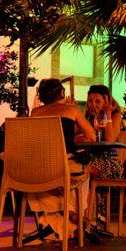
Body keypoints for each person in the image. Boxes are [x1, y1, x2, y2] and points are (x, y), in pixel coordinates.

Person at [28, 78, 96, 242]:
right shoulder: (71, 110)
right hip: (65, 167)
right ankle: (73, 217)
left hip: (40, 168)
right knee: (81, 174)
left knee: (38, 189)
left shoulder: (35, 113)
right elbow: (92, 136)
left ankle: (66, 218)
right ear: (62, 93)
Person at [84, 85, 125, 180]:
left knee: (82, 168)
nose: (93, 104)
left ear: (107, 102)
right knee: (74, 164)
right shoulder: (89, 117)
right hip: (90, 158)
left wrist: (108, 114)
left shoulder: (115, 115)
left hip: (110, 163)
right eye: (90, 101)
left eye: (97, 101)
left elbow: (110, 139)